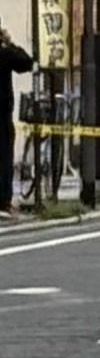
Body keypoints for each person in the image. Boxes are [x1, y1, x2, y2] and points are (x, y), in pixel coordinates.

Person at [0, 24, 33, 220]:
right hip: (2, 114)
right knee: (4, 158)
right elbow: (26, 63)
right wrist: (10, 42)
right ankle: (3, 201)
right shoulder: (4, 54)